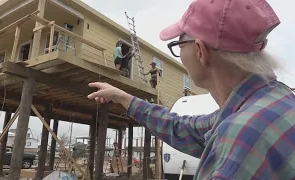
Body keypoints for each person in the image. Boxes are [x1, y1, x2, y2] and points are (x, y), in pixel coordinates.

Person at [88, 0, 295, 179]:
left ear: (200, 51)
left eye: (178, 45)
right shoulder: (274, 101)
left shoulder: (241, 137)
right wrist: (124, 98)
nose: (179, 50)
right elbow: (182, 128)